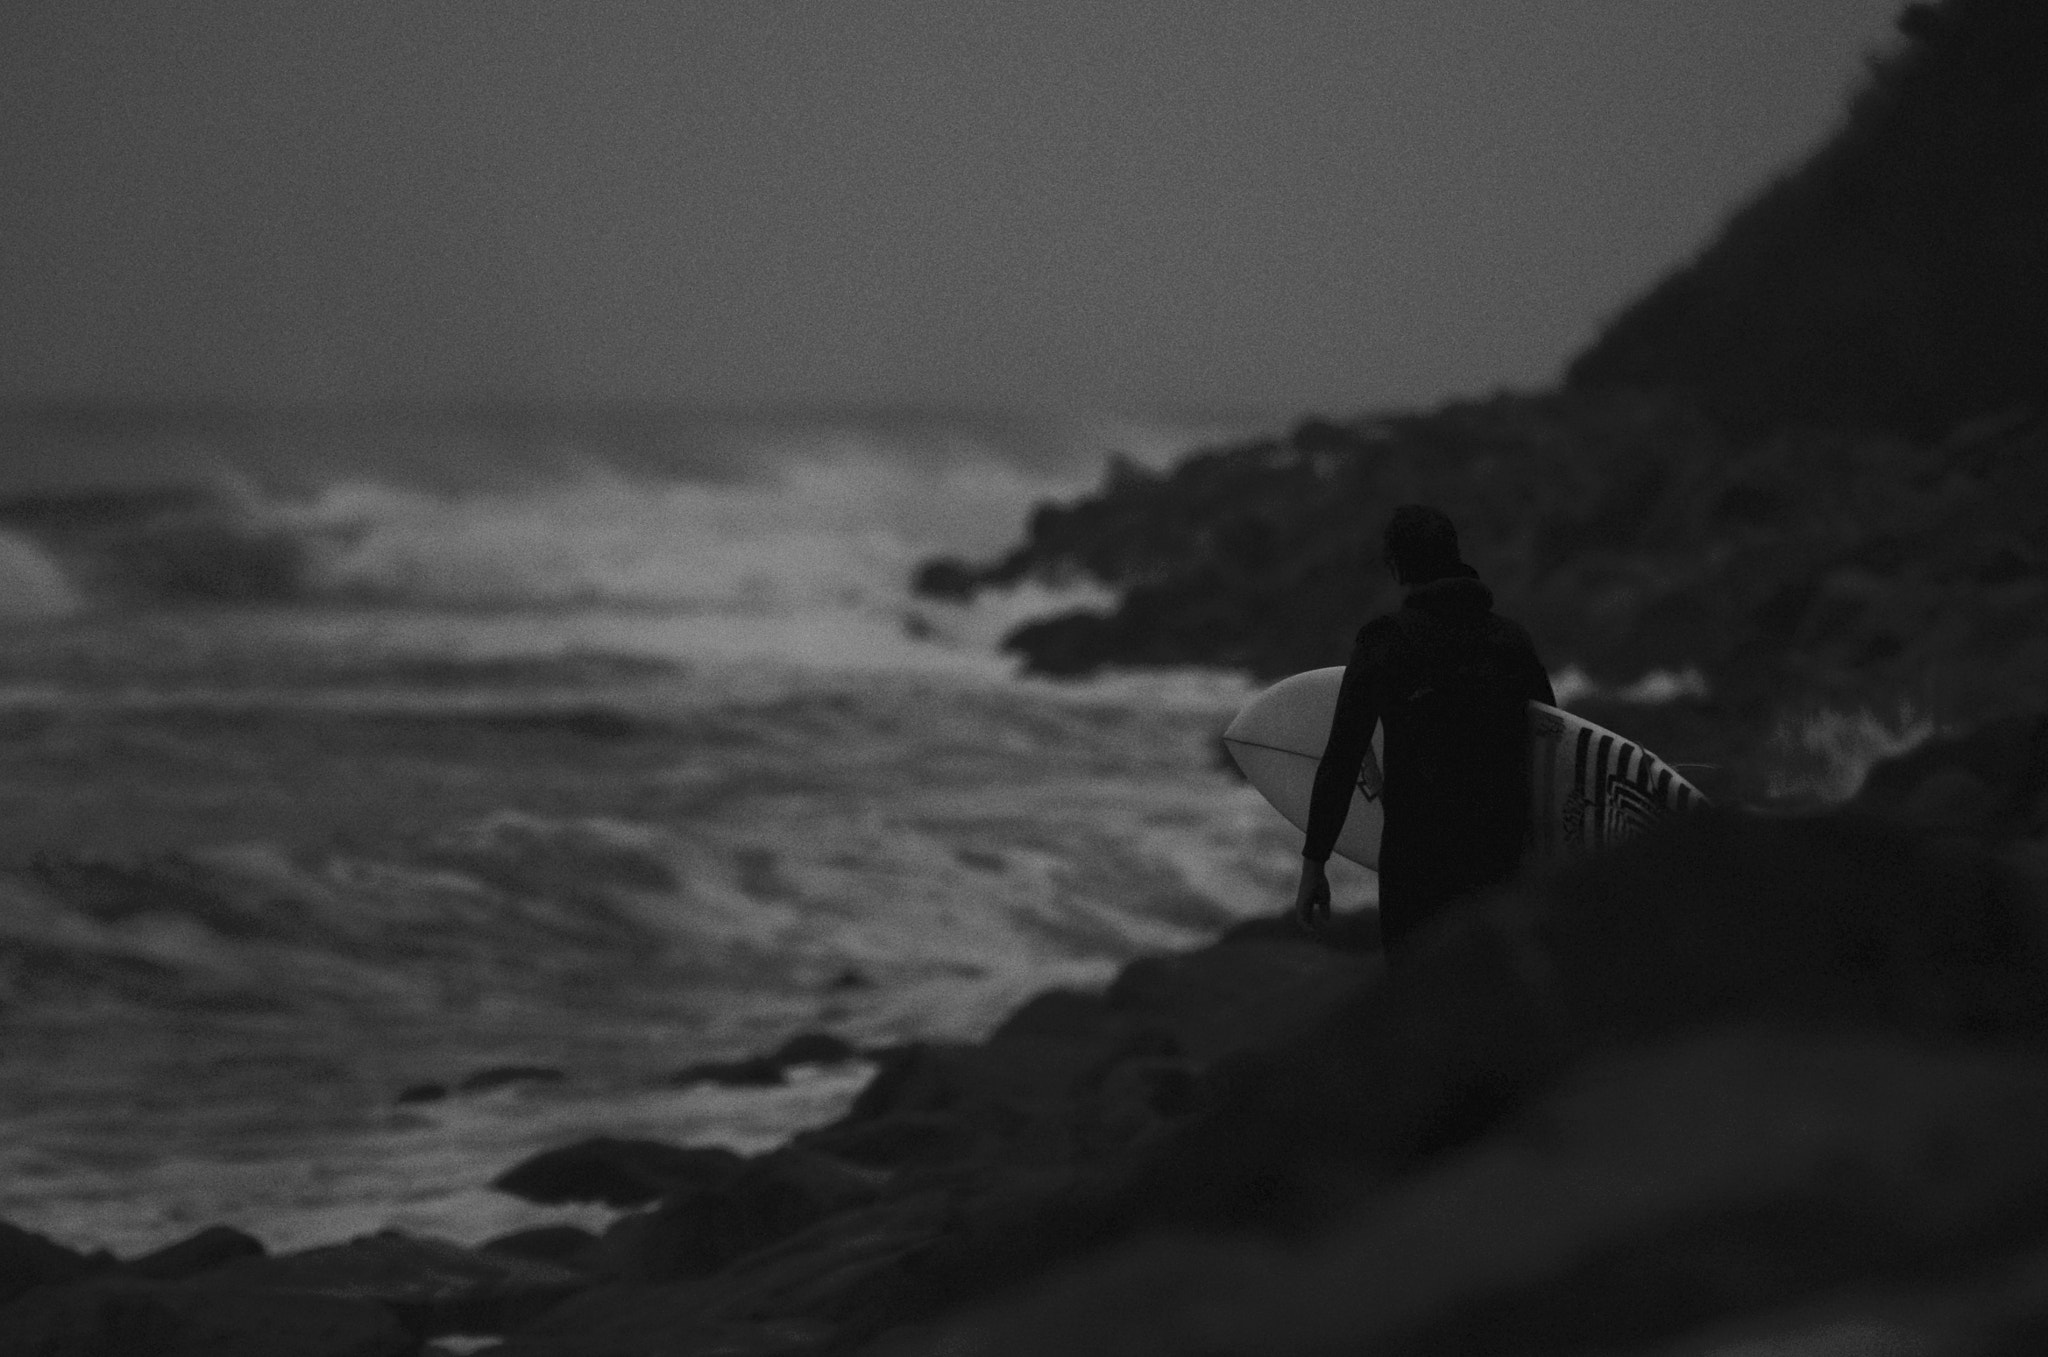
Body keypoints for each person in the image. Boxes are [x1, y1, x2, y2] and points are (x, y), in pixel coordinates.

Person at [1294, 505, 1556, 956]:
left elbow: (1342, 756)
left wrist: (1315, 863)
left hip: (1418, 865)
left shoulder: (1385, 642)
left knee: (1424, 1005)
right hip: (1501, 861)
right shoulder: (1511, 641)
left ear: (1396, 567)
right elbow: (1552, 748)